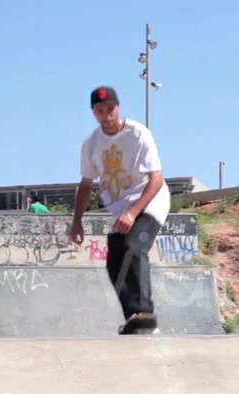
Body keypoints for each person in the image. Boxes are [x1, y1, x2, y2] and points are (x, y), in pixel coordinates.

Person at [70, 86, 170, 334]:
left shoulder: (138, 134)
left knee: (133, 246)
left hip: (150, 200)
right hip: (121, 207)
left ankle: (144, 311)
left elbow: (156, 179)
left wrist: (133, 212)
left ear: (118, 107)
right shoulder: (91, 143)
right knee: (114, 261)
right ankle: (135, 320)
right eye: (100, 111)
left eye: (110, 109)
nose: (107, 116)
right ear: (93, 112)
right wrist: (77, 222)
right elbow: (85, 185)